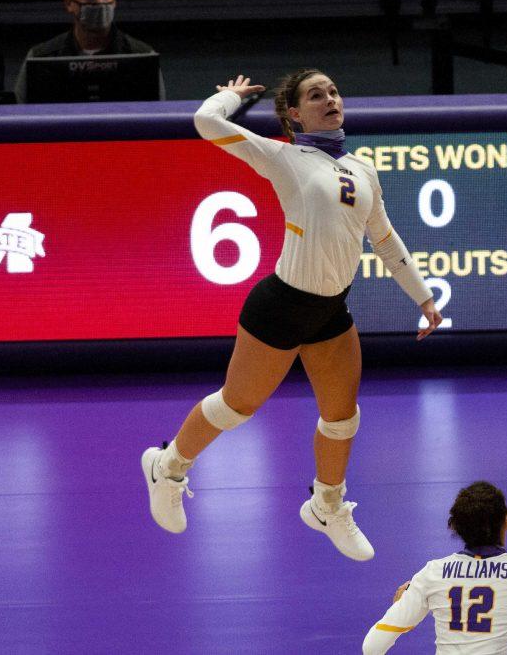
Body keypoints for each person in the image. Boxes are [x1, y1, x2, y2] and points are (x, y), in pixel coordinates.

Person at [140, 70, 442, 562]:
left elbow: (383, 239)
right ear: (295, 114)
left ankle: (327, 505)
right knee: (234, 408)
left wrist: (423, 296)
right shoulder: (284, 156)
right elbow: (204, 121)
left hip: (330, 311)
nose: (330, 98)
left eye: (334, 91)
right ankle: (168, 466)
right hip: (280, 306)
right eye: (316, 94)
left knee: (342, 418)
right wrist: (230, 97)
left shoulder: (363, 170)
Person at [362, 481, 507, 654]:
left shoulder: (432, 573)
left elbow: (371, 647)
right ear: (506, 521)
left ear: (456, 527)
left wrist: (403, 604)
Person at [14, 0, 163, 102]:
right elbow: (19, 117)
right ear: (69, 4)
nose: (99, 2)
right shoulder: (40, 59)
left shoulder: (142, 57)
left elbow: (159, 119)